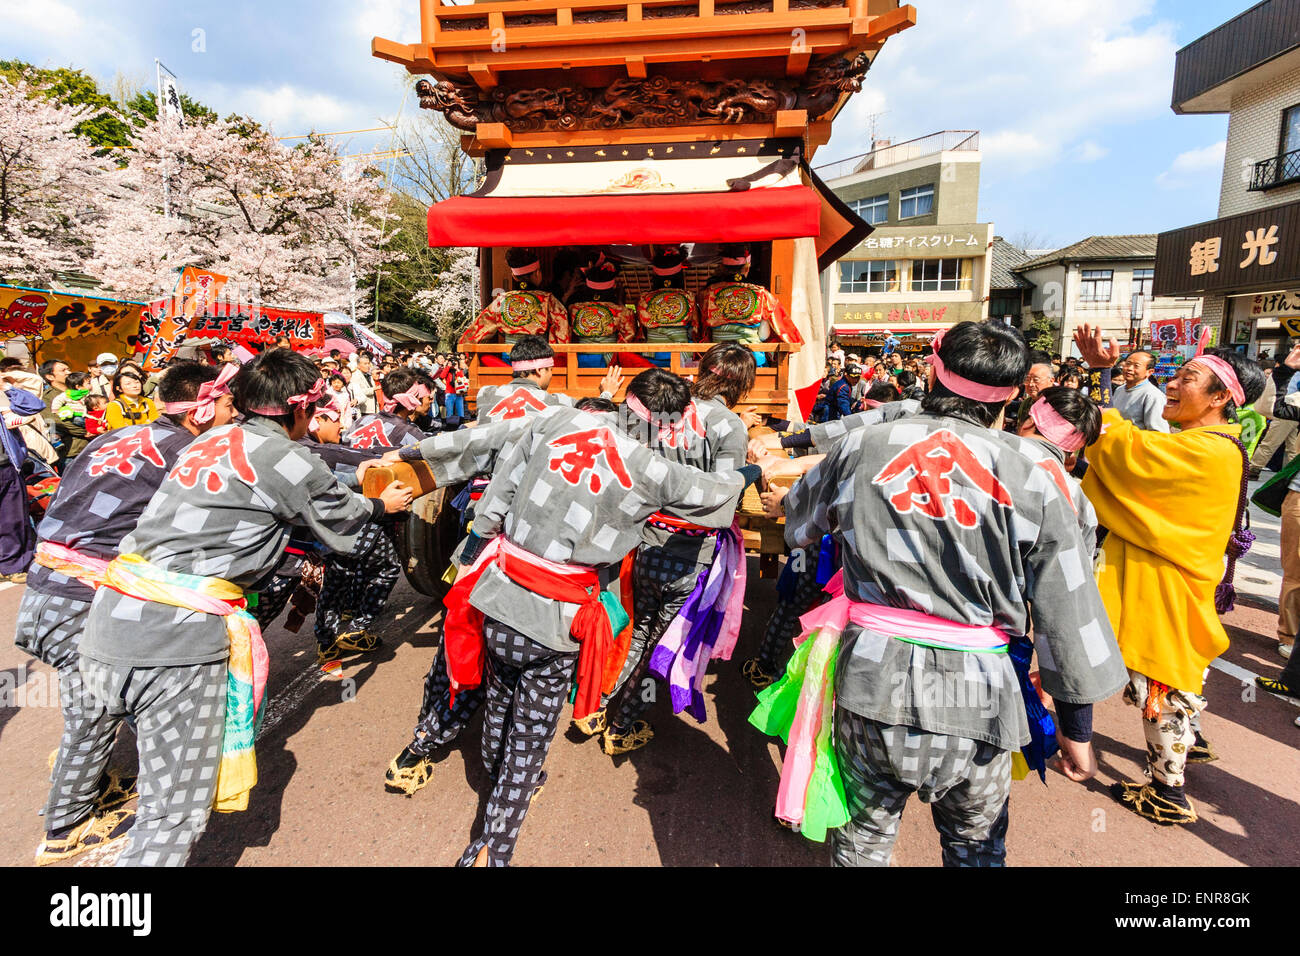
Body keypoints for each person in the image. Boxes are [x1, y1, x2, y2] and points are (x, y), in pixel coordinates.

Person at [759, 321, 1126, 865]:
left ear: (934, 368)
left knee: (861, 843)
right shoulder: (1041, 474)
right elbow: (1066, 609)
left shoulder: (864, 445)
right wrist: (1077, 731)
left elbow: (799, 522)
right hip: (982, 695)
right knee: (975, 848)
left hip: (870, 682)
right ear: (1017, 391)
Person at [74, 349, 413, 866]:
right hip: (180, 629)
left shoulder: (208, 438)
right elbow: (342, 522)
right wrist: (380, 505)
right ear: (301, 409)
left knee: (127, 744)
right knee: (175, 805)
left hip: (114, 608)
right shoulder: (289, 457)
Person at [441, 393, 760, 866]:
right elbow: (712, 493)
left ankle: (498, 778)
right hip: (561, 618)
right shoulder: (648, 467)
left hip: (502, 596)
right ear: (664, 425)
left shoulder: (556, 420)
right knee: (530, 734)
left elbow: (496, 488)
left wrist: (474, 541)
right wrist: (748, 473)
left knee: (499, 702)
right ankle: (495, 843)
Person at [18, 363, 238, 864]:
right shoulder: (190, 451)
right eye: (227, 405)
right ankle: (66, 827)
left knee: (92, 707)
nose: (234, 414)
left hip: (45, 585)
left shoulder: (117, 437)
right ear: (201, 410)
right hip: (83, 598)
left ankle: (77, 803)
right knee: (91, 713)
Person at [1073, 324, 1265, 825]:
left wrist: (1101, 374)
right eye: (1175, 375)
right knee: (1180, 677)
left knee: (1164, 685)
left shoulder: (1206, 450)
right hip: (1176, 580)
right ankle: (1190, 743)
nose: (1172, 387)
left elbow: (1124, 450)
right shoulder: (1209, 443)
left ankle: (1168, 792)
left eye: (1187, 378)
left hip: (1166, 586)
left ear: (1221, 397)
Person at [598, 350, 755, 755]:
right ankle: (623, 724)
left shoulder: (662, 408)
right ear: (741, 385)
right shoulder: (728, 425)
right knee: (663, 645)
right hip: (691, 553)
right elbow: (725, 496)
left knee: (637, 632)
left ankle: (596, 705)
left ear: (701, 372)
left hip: (644, 543)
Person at [699, 244, 801, 367]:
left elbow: (702, 328)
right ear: (746, 268)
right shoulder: (760, 293)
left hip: (718, 358)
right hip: (751, 357)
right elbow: (770, 332)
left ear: (722, 267)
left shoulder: (708, 293)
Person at [460, 247, 571, 346]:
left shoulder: (501, 301)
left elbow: (474, 333)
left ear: (514, 277)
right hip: (539, 357)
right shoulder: (548, 299)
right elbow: (562, 329)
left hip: (510, 359)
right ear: (537, 273)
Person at [567, 255, 638, 368]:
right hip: (609, 359)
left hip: (580, 357)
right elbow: (629, 335)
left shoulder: (574, 308)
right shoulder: (620, 311)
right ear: (613, 287)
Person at [637, 244, 700, 368]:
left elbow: (642, 329)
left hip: (652, 353)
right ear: (680, 277)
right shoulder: (688, 296)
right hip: (682, 352)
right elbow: (696, 328)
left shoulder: (644, 298)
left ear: (654, 278)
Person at [42, 358, 88, 465]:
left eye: (68, 369)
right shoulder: (48, 397)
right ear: (50, 376)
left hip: (92, 444)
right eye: (63, 370)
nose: (68, 372)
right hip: (72, 450)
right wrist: (87, 432)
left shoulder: (80, 390)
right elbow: (57, 422)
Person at [1108, 350, 1169, 432]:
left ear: (1149, 372)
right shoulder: (1119, 390)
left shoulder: (1153, 396)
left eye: (1136, 366)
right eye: (1128, 363)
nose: (1129, 368)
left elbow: (1158, 433)